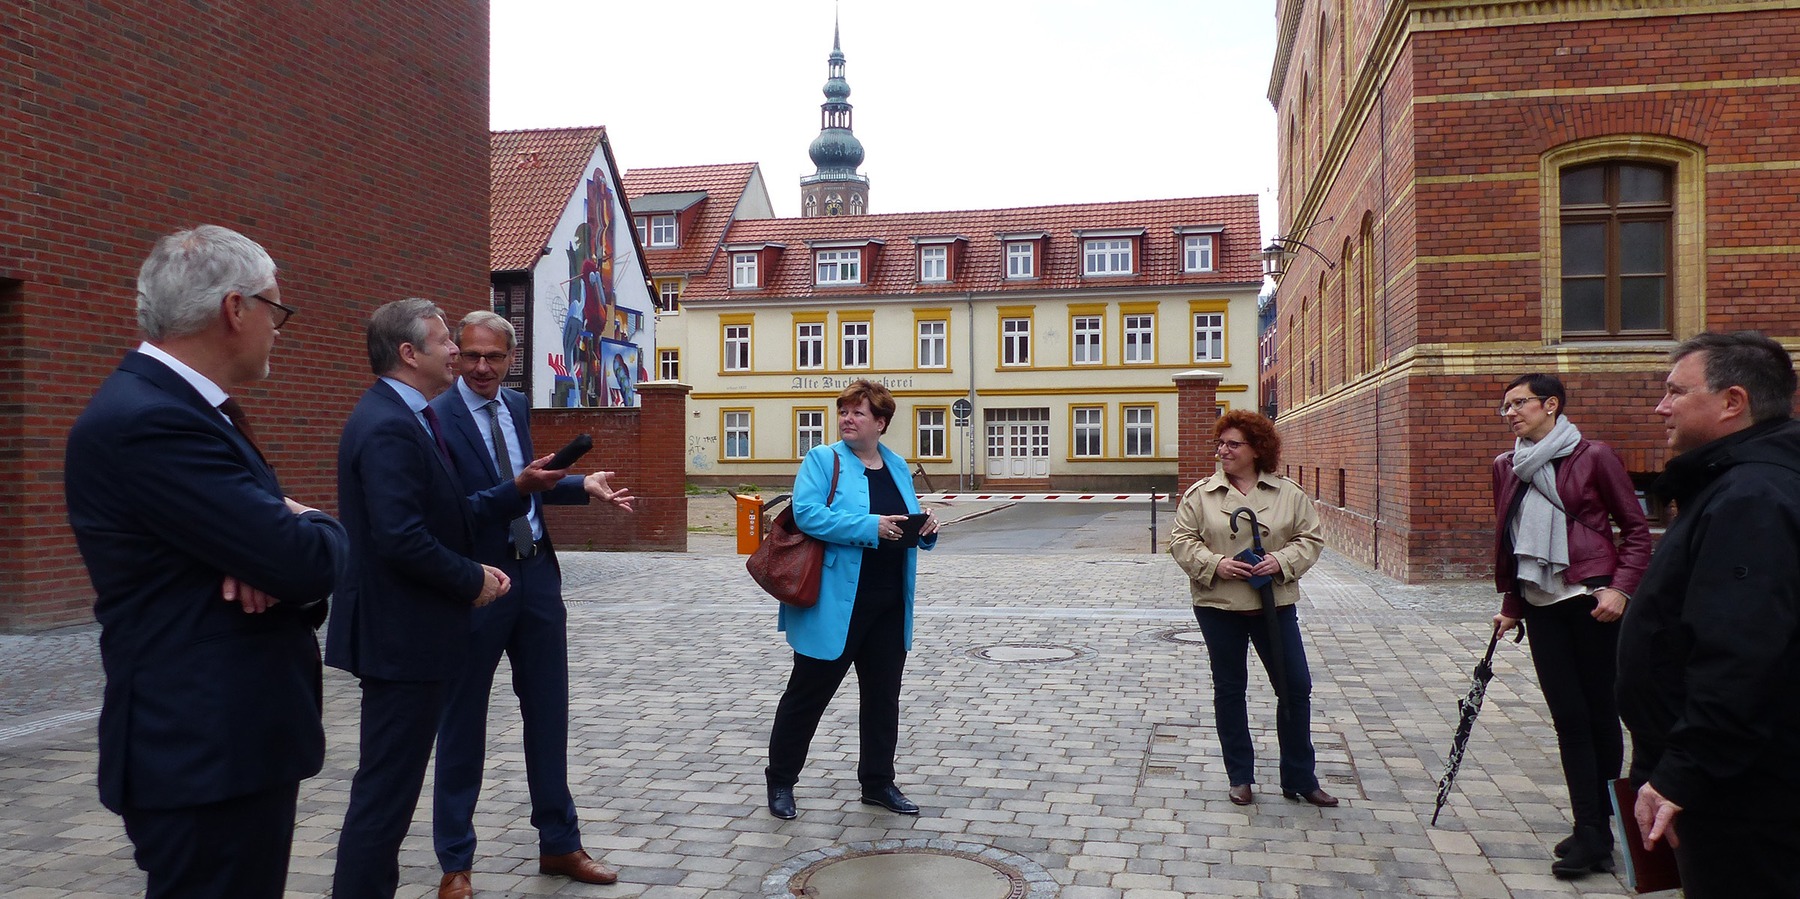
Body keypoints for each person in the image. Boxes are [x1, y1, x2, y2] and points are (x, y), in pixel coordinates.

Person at [63, 225, 347, 899]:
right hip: (202, 755)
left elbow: (283, 566)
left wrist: (273, 546)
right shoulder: (151, 419)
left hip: (228, 751)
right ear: (235, 309)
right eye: (275, 310)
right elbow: (307, 560)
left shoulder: (185, 410)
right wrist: (304, 521)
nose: (279, 328)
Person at [429, 311, 633, 898]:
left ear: (510, 357)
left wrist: (579, 485)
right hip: (478, 584)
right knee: (462, 721)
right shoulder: (436, 419)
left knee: (548, 713)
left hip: (537, 576)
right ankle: (455, 862)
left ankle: (560, 844)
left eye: (494, 357)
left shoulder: (516, 405)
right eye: (471, 356)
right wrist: (519, 489)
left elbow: (530, 478)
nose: (483, 368)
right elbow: (457, 508)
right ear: (455, 358)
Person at [327, 299, 512, 899]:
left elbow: (438, 513)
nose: (456, 352)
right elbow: (399, 537)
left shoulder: (412, 417)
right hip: (400, 637)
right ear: (410, 354)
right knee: (385, 792)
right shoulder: (387, 424)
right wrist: (471, 579)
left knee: (392, 787)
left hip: (414, 634)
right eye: (444, 342)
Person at [1617, 330, 1800, 897]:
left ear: (1732, 402)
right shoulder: (1733, 484)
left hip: (1741, 792)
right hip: (1729, 778)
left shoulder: (1753, 497)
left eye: (1675, 391)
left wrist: (1682, 774)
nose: (1661, 406)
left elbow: (1744, 655)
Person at [1489, 373, 1651, 878]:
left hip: (1590, 601)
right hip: (1541, 606)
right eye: (1506, 406)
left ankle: (1597, 831)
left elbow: (1637, 531)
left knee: (1599, 714)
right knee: (1567, 718)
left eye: (1520, 404)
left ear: (1551, 404)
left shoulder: (1594, 456)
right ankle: (1591, 829)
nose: (1510, 413)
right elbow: (1511, 542)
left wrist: (1620, 589)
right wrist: (1513, 604)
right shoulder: (1506, 465)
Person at [765, 379, 938, 820]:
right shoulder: (823, 460)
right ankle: (781, 780)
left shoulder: (898, 465)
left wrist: (925, 531)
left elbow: (901, 520)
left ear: (880, 423)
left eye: (858, 413)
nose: (847, 418)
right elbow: (808, 514)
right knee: (807, 694)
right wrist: (869, 527)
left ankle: (878, 782)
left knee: (882, 699)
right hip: (836, 602)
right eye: (843, 411)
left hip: (890, 602)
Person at [1168, 410, 1336, 808]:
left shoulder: (1288, 493)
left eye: (1233, 444)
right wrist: (1216, 564)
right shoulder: (1201, 495)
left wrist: (1281, 561)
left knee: (1295, 689)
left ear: (1257, 450)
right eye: (1220, 444)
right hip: (1219, 606)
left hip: (1273, 606)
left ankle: (1300, 778)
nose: (1223, 451)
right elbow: (1181, 541)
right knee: (1230, 690)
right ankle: (1240, 776)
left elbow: (1309, 539)